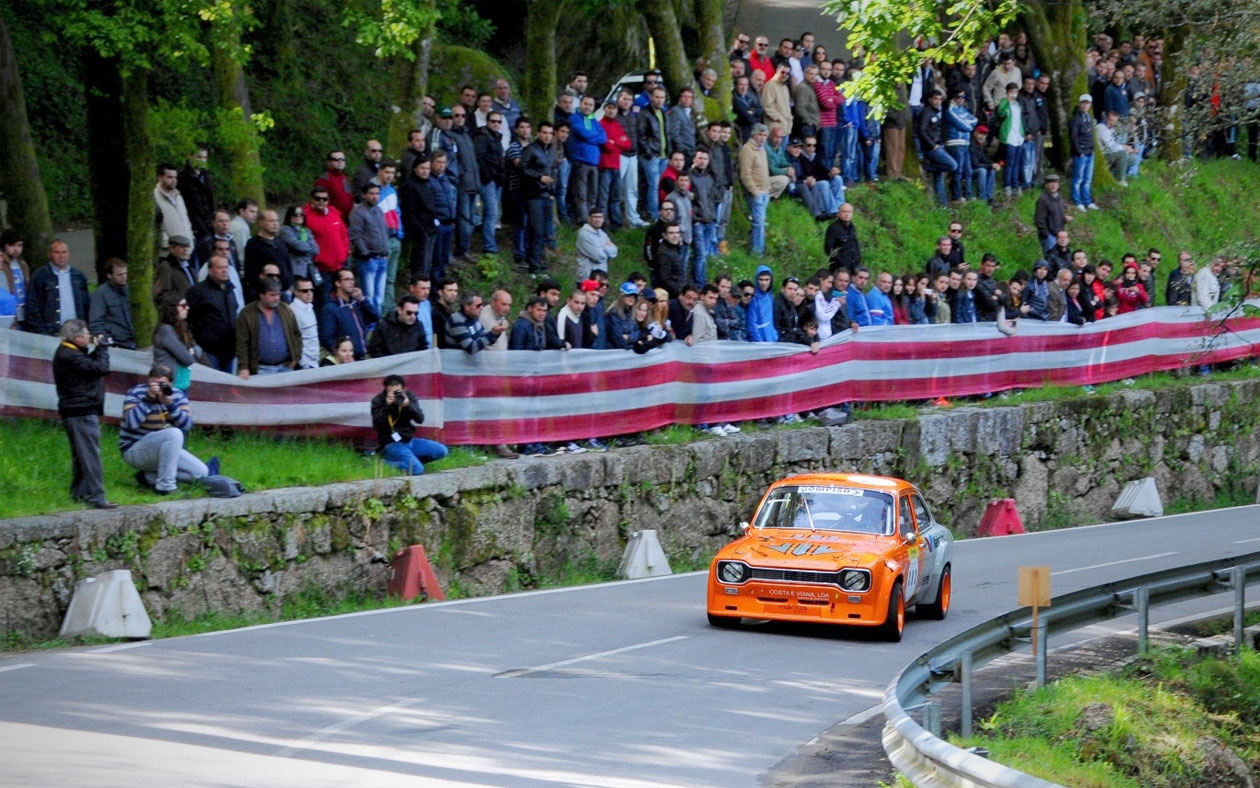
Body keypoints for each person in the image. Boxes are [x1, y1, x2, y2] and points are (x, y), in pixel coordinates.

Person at [119, 363, 212, 494]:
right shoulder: (136, 392)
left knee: (201, 473)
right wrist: (148, 400)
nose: (158, 388)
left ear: (171, 383)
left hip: (164, 448)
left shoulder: (177, 395)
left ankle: (149, 477)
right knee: (174, 433)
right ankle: (165, 486)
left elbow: (187, 425)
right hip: (134, 449)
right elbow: (131, 424)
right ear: (148, 381)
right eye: (154, 384)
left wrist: (170, 405)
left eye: (162, 384)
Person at [53, 319, 115, 508]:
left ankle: (79, 493)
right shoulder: (69, 355)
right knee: (90, 455)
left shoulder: (69, 352)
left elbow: (88, 367)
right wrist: (102, 350)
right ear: (77, 337)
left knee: (82, 455)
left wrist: (97, 351)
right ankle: (97, 496)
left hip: (77, 409)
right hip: (80, 410)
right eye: (87, 334)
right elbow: (99, 368)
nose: (89, 337)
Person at [371, 375, 449, 475]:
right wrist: (387, 406)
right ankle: (381, 463)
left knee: (442, 451)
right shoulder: (378, 400)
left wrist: (408, 405)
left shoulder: (408, 396)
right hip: (392, 444)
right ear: (386, 389)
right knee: (417, 470)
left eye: (397, 392)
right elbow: (378, 426)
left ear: (403, 389)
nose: (395, 395)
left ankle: (411, 462)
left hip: (410, 441)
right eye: (391, 392)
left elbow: (420, 419)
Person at [235, 278, 301, 378]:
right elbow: (242, 343)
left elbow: (297, 334)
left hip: (286, 367)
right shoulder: (247, 314)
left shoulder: (286, 310)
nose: (277, 298)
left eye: (278, 294)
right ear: (261, 295)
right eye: (272, 295)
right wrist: (243, 367)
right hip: (261, 369)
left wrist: (296, 357)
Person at [24, 239, 89, 336]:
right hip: (50, 331)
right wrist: (41, 330)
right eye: (57, 252)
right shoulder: (40, 276)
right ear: (49, 254)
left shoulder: (78, 276)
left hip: (76, 331)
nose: (61, 256)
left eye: (64, 252)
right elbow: (32, 306)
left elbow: (86, 304)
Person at [186, 255, 238, 372]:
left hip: (230, 349)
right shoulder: (198, 292)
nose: (224, 271)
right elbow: (189, 319)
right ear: (210, 271)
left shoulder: (230, 290)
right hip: (209, 350)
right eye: (220, 268)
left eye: (226, 267)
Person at [348, 183, 390, 314]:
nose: (374, 196)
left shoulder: (379, 210)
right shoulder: (358, 212)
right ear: (364, 195)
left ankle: (377, 320)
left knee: (380, 296)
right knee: (368, 296)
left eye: (377, 193)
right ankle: (369, 322)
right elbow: (355, 235)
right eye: (371, 193)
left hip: (382, 258)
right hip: (368, 259)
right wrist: (366, 253)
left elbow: (384, 232)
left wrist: (386, 252)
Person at [522, 122, 558, 273]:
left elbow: (553, 170)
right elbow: (524, 169)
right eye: (545, 132)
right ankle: (533, 264)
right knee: (536, 230)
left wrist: (552, 191)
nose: (547, 136)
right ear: (538, 133)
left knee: (544, 232)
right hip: (533, 195)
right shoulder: (531, 149)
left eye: (550, 133)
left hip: (547, 194)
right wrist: (539, 178)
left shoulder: (551, 150)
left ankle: (539, 261)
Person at [306, 187, 351, 298]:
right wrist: (316, 259)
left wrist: (345, 253)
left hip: (340, 266)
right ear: (312, 199)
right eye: (318, 198)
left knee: (342, 298)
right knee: (325, 299)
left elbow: (344, 234)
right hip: (322, 269)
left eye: (324, 199)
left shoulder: (334, 213)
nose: (321, 201)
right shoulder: (306, 216)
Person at [152, 294, 201, 389]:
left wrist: (193, 351)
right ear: (172, 309)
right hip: (169, 386)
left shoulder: (182, 327)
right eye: (183, 306)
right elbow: (188, 359)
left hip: (183, 384)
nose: (187, 308)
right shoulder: (166, 331)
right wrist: (191, 351)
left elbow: (197, 348)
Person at [474, 112, 505, 255]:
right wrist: (487, 177)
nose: (496, 124)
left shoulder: (496, 137)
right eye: (493, 121)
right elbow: (479, 158)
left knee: (492, 213)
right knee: (491, 212)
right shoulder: (482, 137)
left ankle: (490, 244)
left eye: (498, 122)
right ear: (487, 121)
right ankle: (489, 245)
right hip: (488, 180)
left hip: (497, 179)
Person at [88, 258, 136, 348]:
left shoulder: (132, 289)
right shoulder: (101, 294)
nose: (124, 277)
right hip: (117, 343)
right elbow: (96, 323)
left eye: (125, 273)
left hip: (134, 340)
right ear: (109, 275)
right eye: (119, 274)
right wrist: (108, 341)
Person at [177, 146, 215, 242]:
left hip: (208, 223)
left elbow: (211, 200)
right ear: (190, 157)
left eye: (205, 158)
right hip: (193, 225)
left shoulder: (207, 176)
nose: (202, 160)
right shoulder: (183, 177)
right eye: (199, 157)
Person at [281, 205, 321, 294]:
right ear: (290, 216)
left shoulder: (306, 230)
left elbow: (316, 249)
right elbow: (298, 245)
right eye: (295, 214)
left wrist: (306, 248)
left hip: (308, 268)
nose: (298, 217)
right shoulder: (285, 230)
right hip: (295, 269)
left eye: (301, 214)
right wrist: (309, 247)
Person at [153, 163, 194, 250]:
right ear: (160, 177)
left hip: (186, 248)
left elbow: (185, 221)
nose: (174, 180)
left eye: (175, 177)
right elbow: (154, 226)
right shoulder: (154, 197)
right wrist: (167, 243)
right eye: (170, 177)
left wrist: (191, 239)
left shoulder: (178, 196)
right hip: (167, 250)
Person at [1069, 95, 1098, 211]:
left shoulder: (1089, 117)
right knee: (1078, 179)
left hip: (1090, 151)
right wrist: (1079, 151)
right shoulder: (1076, 118)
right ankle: (1077, 201)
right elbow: (1073, 136)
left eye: (1088, 103)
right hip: (1081, 152)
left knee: (1087, 179)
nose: (1085, 105)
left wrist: (1093, 148)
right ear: (1080, 103)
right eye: (1083, 103)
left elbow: (1091, 135)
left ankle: (1087, 200)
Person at [575, 209, 617, 283]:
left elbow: (614, 252)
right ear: (589, 218)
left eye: (600, 217)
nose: (598, 220)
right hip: (587, 277)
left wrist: (603, 248)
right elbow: (598, 256)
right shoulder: (584, 234)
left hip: (602, 276)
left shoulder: (602, 234)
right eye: (595, 217)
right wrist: (606, 250)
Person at [288, 276, 320, 369]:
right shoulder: (292, 311)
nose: (309, 293)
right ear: (296, 292)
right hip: (303, 363)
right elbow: (293, 339)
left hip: (314, 360)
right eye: (305, 291)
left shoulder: (310, 307)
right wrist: (302, 361)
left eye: (311, 290)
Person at [0, 228, 30, 324]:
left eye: (19, 245)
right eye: (12, 245)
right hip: (8, 313)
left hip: (24, 312)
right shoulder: (2, 264)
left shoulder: (23, 264)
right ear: (4, 245)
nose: (16, 249)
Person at [315, 150, 353, 221]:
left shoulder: (345, 178)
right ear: (329, 162)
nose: (340, 161)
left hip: (348, 219)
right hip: (332, 219)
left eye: (342, 159)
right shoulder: (323, 180)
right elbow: (319, 203)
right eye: (336, 159)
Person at [1033, 174, 1067, 253]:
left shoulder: (1060, 199)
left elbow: (1057, 217)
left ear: (1058, 185)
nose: (1053, 185)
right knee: (1051, 257)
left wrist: (1065, 219)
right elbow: (1039, 219)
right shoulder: (1043, 200)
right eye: (1051, 183)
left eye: (1055, 183)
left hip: (1060, 236)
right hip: (1049, 236)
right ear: (1046, 185)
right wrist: (1047, 235)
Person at [824, 203, 861, 274]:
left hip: (854, 269)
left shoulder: (852, 228)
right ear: (839, 214)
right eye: (844, 212)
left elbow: (855, 246)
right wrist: (841, 262)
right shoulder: (833, 228)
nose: (847, 214)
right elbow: (829, 248)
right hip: (839, 270)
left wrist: (857, 260)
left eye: (849, 212)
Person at [228, 198, 259, 263]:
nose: (255, 215)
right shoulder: (241, 227)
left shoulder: (235, 223)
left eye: (256, 212)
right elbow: (242, 253)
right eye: (252, 211)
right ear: (241, 211)